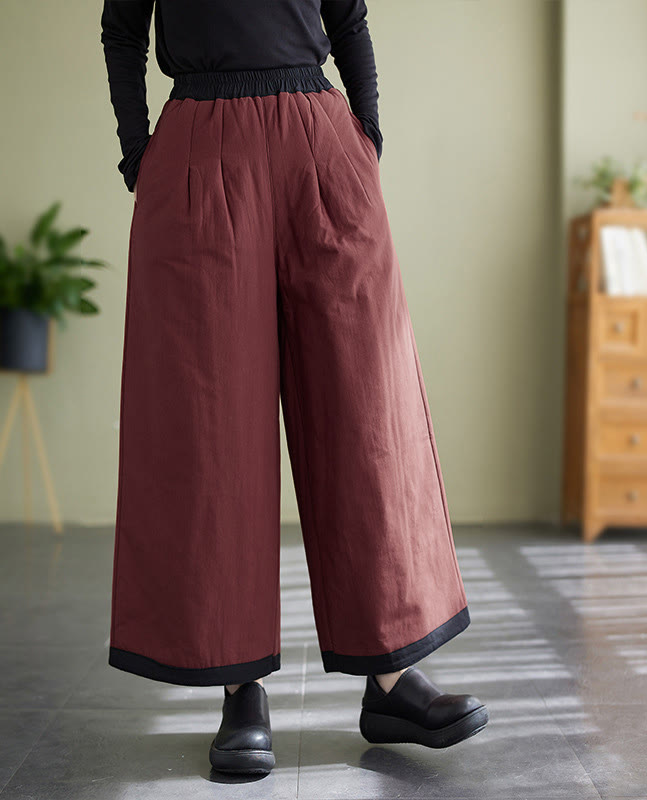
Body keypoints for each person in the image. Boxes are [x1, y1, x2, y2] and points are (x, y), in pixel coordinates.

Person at [100, 0, 488, 776]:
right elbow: (122, 26)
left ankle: (392, 679)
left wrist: (365, 137)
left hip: (320, 137)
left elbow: (348, 17)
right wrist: (138, 152)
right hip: (200, 141)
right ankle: (239, 688)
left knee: (365, 410)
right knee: (211, 427)